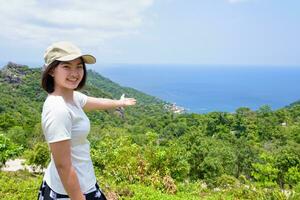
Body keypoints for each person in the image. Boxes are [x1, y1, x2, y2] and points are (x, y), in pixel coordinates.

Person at [38, 41, 136, 200]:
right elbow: (63, 166)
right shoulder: (58, 109)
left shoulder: (72, 97)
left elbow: (95, 102)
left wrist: (120, 103)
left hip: (83, 182)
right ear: (51, 71)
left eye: (79, 66)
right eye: (66, 66)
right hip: (70, 193)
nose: (75, 73)